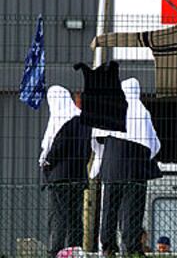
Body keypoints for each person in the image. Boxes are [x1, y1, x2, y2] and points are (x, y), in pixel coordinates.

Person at [92, 78, 162, 257]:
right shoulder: (142, 111)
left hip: (112, 166)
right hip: (135, 168)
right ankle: (131, 247)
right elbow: (154, 143)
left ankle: (108, 247)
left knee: (109, 208)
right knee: (134, 208)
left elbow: (98, 136)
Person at [39, 85, 92, 257]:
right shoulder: (83, 120)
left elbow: (57, 146)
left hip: (60, 176)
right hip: (78, 175)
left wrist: (47, 162)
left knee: (58, 215)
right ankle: (75, 249)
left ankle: (56, 250)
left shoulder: (61, 119)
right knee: (75, 215)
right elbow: (88, 149)